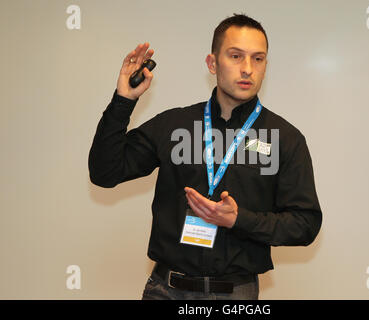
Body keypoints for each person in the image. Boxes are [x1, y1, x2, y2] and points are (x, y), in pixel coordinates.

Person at [89, 14, 322, 300]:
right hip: (166, 290)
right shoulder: (174, 126)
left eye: (258, 59)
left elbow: (305, 224)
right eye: (236, 56)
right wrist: (124, 101)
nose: (247, 69)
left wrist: (240, 220)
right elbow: (104, 173)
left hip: (236, 294)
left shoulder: (285, 138)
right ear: (212, 63)